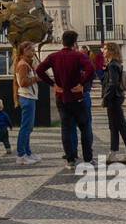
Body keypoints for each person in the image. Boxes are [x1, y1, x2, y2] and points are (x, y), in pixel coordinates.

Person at [37, 29, 94, 170]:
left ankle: (70, 159)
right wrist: (82, 84)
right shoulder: (78, 56)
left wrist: (53, 84)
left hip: (62, 97)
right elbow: (91, 69)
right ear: (74, 42)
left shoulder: (53, 56)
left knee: (66, 129)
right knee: (85, 128)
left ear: (62, 41)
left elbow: (39, 70)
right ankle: (88, 158)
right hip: (77, 97)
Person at [101, 42, 126, 162]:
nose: (102, 51)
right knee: (114, 126)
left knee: (120, 126)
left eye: (105, 49)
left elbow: (113, 83)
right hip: (115, 98)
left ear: (111, 51)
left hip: (113, 99)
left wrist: (106, 97)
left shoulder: (112, 65)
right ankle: (113, 153)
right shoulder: (114, 64)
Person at [13, 41, 40, 165]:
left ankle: (27, 152)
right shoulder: (23, 65)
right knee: (25, 128)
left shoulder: (27, 64)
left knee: (28, 128)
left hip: (30, 97)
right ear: (24, 51)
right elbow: (22, 83)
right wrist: (36, 78)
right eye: (31, 49)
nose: (33, 51)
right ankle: (21, 155)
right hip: (27, 98)